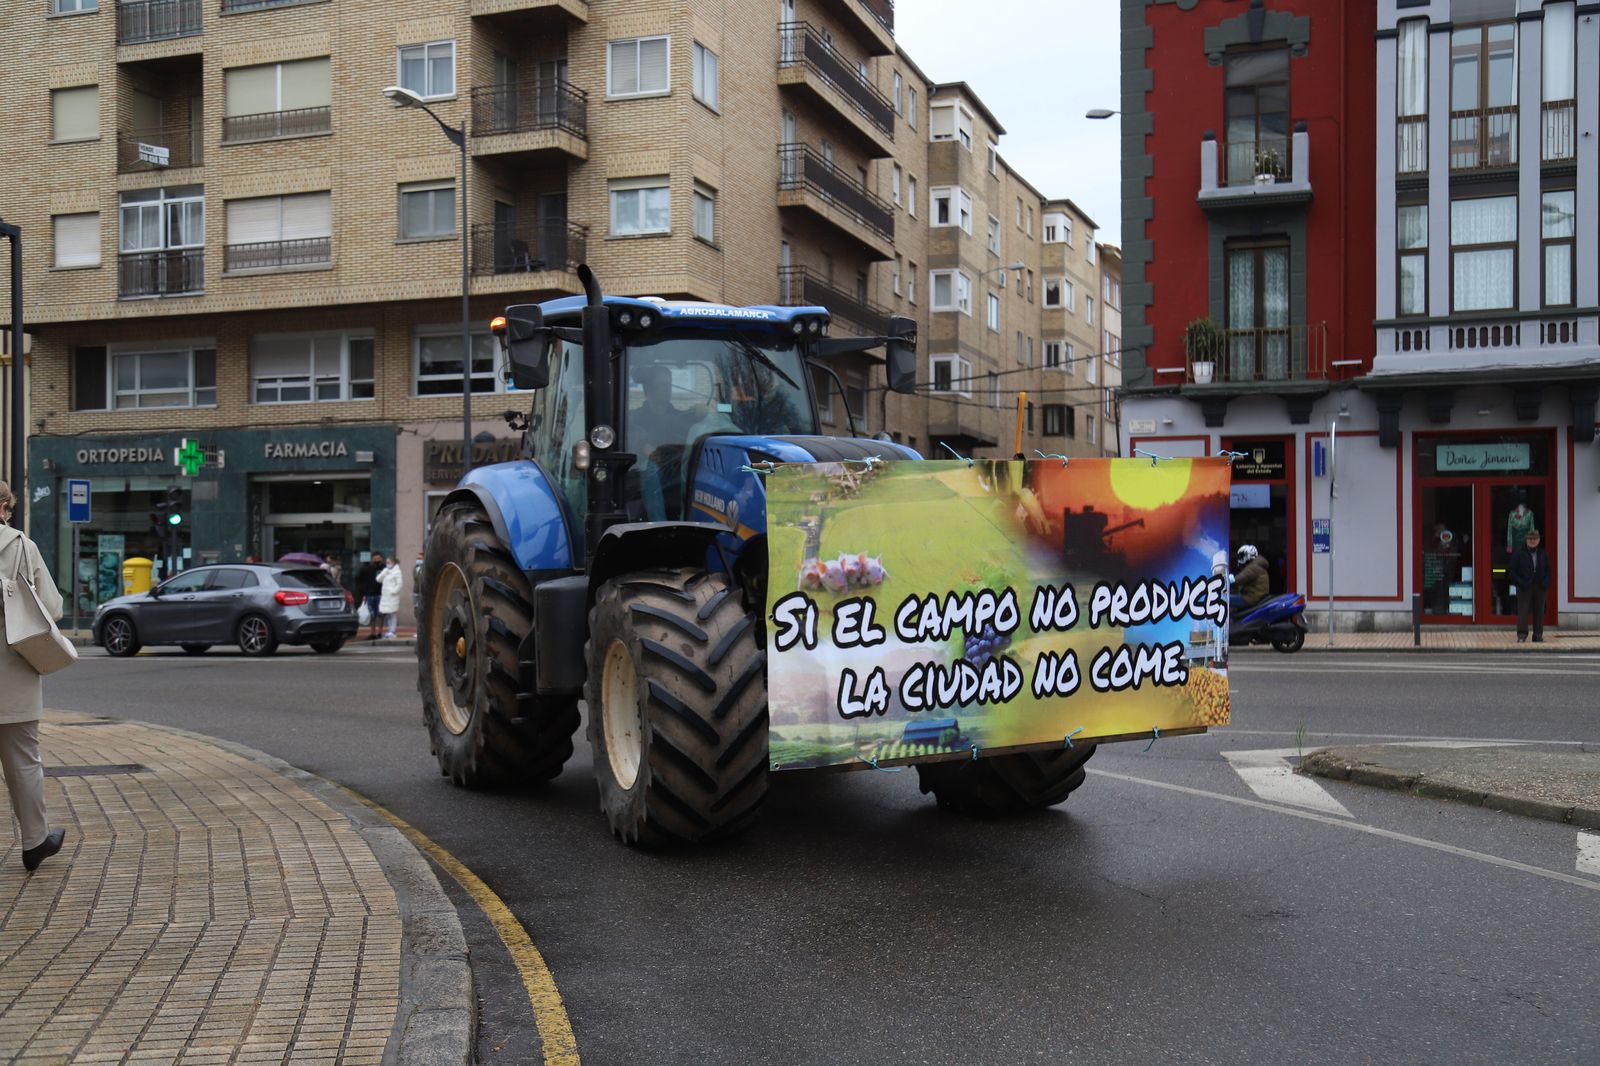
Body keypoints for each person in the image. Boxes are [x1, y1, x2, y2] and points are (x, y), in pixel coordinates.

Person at [0, 481, 69, 872]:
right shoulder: (22, 547)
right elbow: (53, 608)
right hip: (14, 673)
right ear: (4, 507)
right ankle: (34, 841)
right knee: (24, 762)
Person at [1509, 529, 1551, 643]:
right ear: (1526, 540)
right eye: (1530, 539)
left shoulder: (1542, 553)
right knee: (1523, 611)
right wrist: (1520, 583)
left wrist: (1546, 582)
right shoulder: (1519, 553)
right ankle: (1522, 634)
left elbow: (1548, 570)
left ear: (1539, 540)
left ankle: (1537, 635)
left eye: (1535, 539)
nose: (1532, 541)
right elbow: (1512, 572)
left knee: (1539, 611)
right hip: (1524, 587)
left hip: (1540, 586)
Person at [1232, 543, 1270, 615]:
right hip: (1254, 596)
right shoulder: (1256, 565)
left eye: (1242, 556)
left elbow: (1241, 578)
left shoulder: (1254, 567)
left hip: (1251, 598)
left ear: (1249, 555)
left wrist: (1230, 579)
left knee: (1226, 600)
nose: (1240, 558)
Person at [359, 553, 384, 640]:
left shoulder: (384, 569)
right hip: (370, 594)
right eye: (375, 558)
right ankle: (373, 633)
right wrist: (364, 594)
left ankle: (380, 632)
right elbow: (364, 583)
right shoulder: (368, 569)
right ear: (372, 559)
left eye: (378, 558)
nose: (377, 560)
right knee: (372, 615)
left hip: (380, 594)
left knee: (380, 615)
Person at [378, 554, 404, 640]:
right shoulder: (386, 571)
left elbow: (399, 584)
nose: (387, 564)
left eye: (388, 562)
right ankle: (390, 630)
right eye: (386, 562)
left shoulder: (397, 572)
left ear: (393, 562)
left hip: (392, 597)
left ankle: (393, 631)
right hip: (385, 597)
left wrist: (393, 591)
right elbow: (378, 579)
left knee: (392, 614)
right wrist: (384, 572)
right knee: (388, 614)